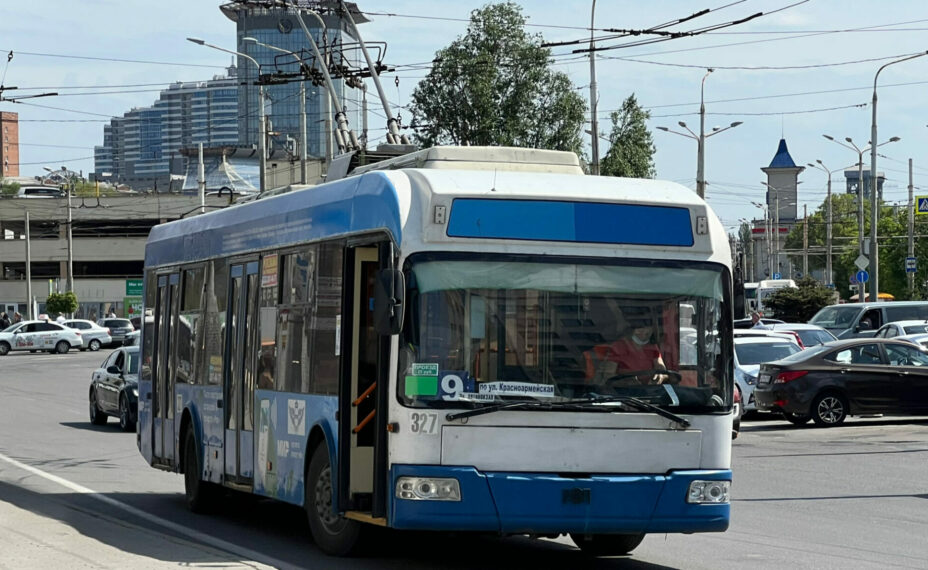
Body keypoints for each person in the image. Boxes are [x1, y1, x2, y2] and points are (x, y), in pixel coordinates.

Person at [586, 317, 670, 385]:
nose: (645, 332)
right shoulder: (618, 346)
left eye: (648, 328)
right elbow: (608, 376)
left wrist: (661, 376)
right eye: (640, 329)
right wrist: (626, 382)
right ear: (632, 329)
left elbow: (662, 369)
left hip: (648, 394)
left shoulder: (652, 347)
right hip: (625, 396)